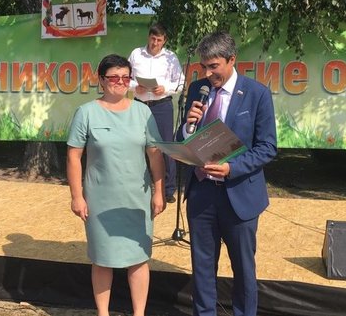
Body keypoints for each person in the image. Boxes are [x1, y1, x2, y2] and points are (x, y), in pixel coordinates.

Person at [178, 32, 277, 316]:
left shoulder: (257, 94)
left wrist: (231, 168)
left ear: (232, 60)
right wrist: (187, 126)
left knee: (243, 269)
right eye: (204, 67)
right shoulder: (197, 89)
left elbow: (267, 147)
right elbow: (182, 139)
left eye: (214, 66)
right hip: (202, 194)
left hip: (239, 194)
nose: (208, 74)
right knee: (202, 267)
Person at [66, 54, 167, 316]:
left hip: (137, 199)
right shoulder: (86, 113)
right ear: (101, 80)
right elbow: (74, 157)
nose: (120, 83)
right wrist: (77, 196)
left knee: (138, 259)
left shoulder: (143, 112)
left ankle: (139, 313)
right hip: (100, 201)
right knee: (102, 259)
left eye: (125, 78)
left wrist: (159, 191)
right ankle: (103, 313)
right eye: (114, 78)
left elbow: (155, 154)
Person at [128, 23, 185, 203]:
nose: (155, 43)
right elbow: (126, 78)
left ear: (164, 41)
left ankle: (168, 189)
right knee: (137, 144)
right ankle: (138, 185)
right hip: (139, 104)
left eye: (159, 40)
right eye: (153, 39)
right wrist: (135, 86)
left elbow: (180, 82)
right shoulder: (136, 54)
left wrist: (165, 88)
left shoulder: (171, 57)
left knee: (166, 145)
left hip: (162, 105)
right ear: (148, 37)